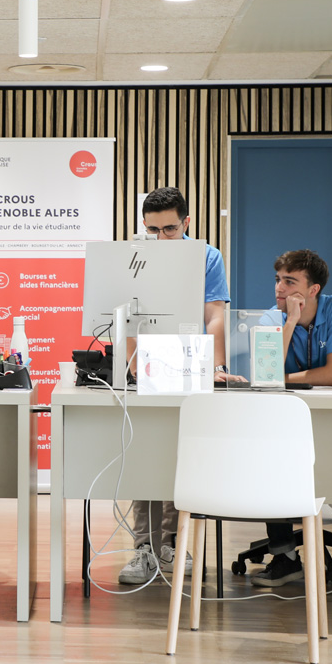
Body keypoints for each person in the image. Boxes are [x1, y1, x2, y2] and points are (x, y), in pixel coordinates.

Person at [248, 249, 332, 593]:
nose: (279, 288)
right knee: (271, 462)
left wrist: (282, 378)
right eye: (278, 280)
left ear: (313, 289)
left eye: (289, 281)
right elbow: (266, 374)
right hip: (288, 420)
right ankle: (284, 557)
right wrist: (290, 322)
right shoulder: (271, 318)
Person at [119, 187, 237, 585]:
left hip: (191, 366)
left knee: (178, 456)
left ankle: (172, 542)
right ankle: (144, 546)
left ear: (186, 222)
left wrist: (215, 366)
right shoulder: (135, 255)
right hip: (146, 367)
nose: (162, 238)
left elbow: (214, 315)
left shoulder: (207, 257)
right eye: (153, 230)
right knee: (144, 453)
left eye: (170, 229)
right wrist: (133, 367)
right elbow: (127, 316)